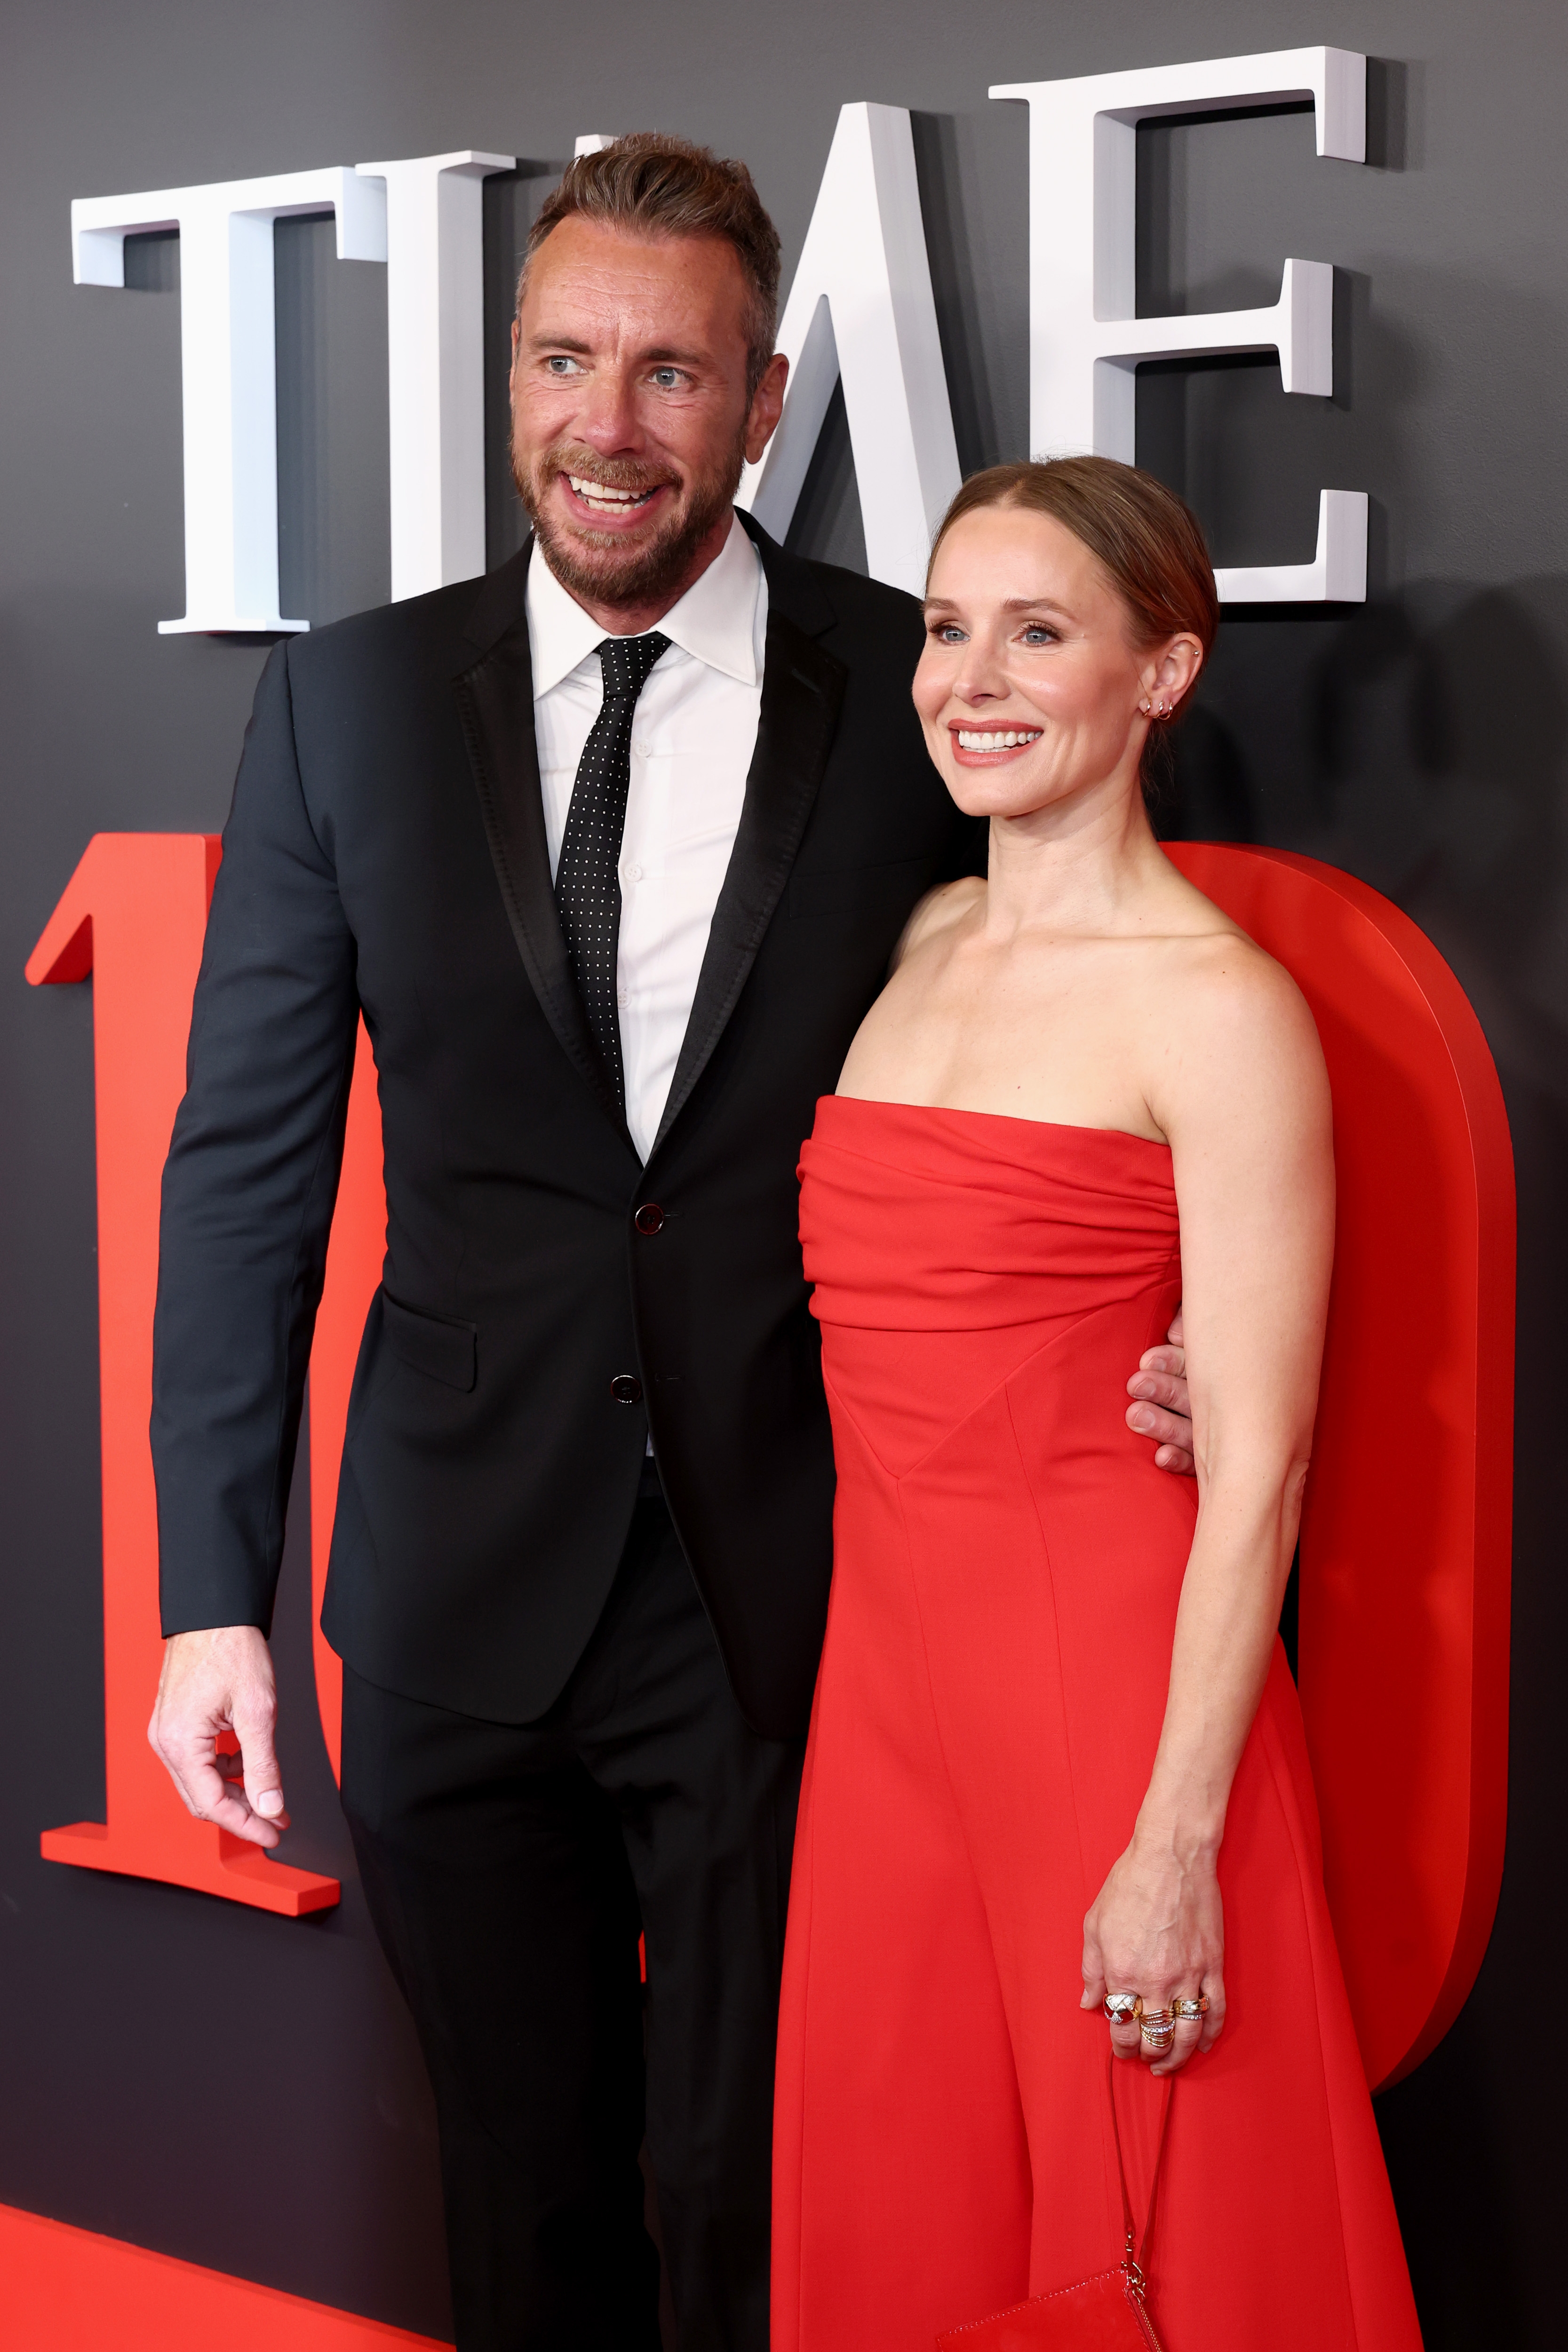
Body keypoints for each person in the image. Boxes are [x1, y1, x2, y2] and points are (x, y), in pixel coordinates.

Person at [144, 142, 1194, 2352]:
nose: (606, 420)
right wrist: (204, 1603)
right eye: (560, 358)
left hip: (799, 1585)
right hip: (444, 1594)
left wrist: (1175, 1305)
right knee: (519, 2207)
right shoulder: (342, 701)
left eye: (669, 371)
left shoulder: (904, 688)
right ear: (505, 372)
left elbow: (1090, 989)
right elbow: (246, 1165)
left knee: (764, 2207)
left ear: (762, 396)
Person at [772, 457, 1423, 2352]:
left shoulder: (1216, 1006)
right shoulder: (914, 952)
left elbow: (1262, 1463)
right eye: (948, 624)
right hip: (884, 1691)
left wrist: (1175, 1839)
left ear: (1162, 673)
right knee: (914, 2190)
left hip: (1103, 1697)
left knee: (1165, 2225)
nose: (971, 675)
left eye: (1038, 630)